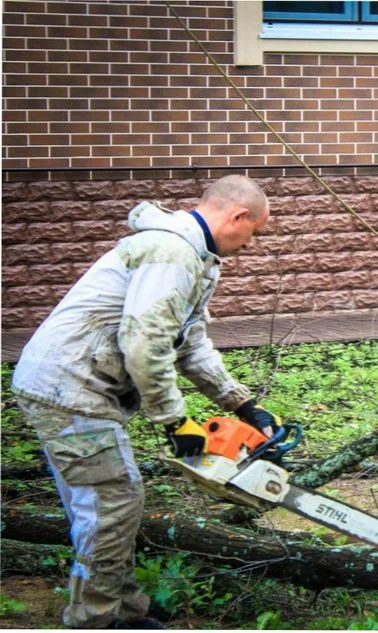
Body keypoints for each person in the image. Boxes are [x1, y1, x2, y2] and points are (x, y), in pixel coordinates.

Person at [12, 175, 280, 629]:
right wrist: (175, 421)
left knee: (109, 504)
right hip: (70, 387)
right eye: (254, 232)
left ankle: (122, 609)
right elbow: (144, 344)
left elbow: (188, 343)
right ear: (238, 217)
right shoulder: (172, 253)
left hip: (74, 385)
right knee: (111, 504)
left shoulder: (192, 254)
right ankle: (95, 620)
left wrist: (242, 404)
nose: (251, 244)